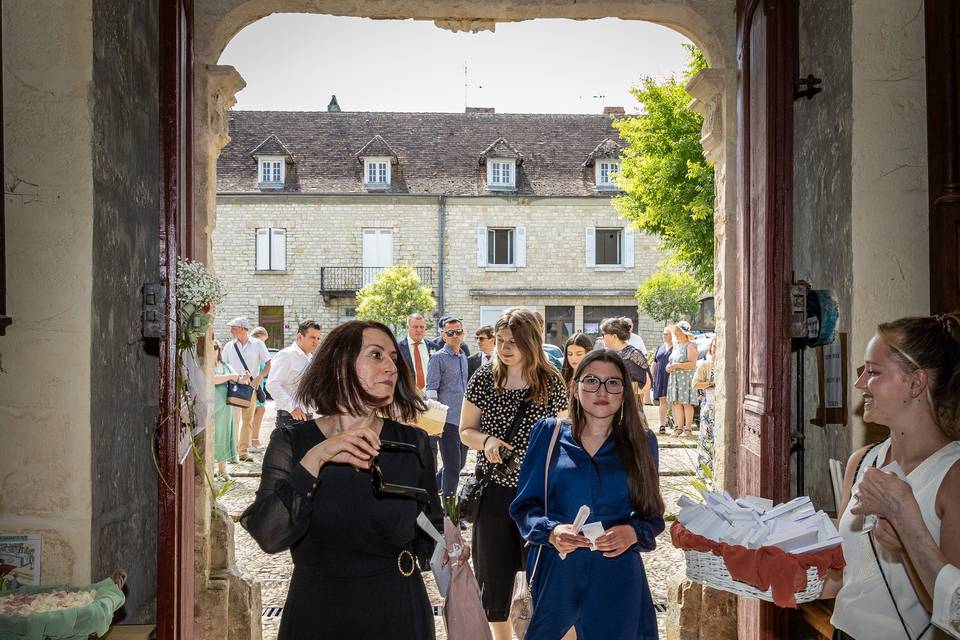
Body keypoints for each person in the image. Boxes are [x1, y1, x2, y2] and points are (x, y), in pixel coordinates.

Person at [240, 320, 445, 639]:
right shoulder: (293, 443)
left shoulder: (413, 444)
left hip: (399, 613)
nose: (391, 365)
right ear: (339, 367)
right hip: (319, 615)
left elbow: (430, 531)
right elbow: (269, 534)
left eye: (393, 357)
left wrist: (450, 548)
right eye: (376, 355)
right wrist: (315, 459)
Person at [818, 312, 960, 640]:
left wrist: (907, 542)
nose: (859, 384)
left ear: (916, 382)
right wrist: (767, 573)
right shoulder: (862, 461)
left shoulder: (952, 476)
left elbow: (951, 616)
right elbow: (844, 578)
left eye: (873, 371)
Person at [510, 348, 665, 640]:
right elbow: (524, 508)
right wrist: (552, 531)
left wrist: (632, 533)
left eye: (613, 382)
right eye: (591, 381)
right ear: (575, 386)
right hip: (558, 570)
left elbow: (653, 517)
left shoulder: (643, 443)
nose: (602, 390)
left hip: (616, 573)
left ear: (624, 392)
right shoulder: (548, 434)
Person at [459, 307, 568, 640]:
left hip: (539, 495)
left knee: (542, 574)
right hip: (494, 492)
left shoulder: (550, 380)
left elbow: (565, 434)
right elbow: (465, 431)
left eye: (513, 342)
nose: (504, 348)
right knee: (494, 578)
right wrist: (487, 440)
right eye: (500, 340)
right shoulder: (484, 378)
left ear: (530, 343)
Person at [851, 468, 960, 638]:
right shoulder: (864, 461)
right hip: (847, 626)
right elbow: (853, 575)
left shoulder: (952, 474)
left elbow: (951, 607)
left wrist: (901, 515)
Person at [425, 317, 470, 499]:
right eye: (450, 333)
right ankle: (449, 515)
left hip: (463, 420)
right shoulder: (437, 358)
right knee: (452, 469)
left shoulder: (463, 357)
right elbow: (431, 389)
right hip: (447, 422)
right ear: (443, 335)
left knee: (458, 465)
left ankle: (429, 493)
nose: (455, 336)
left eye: (458, 332)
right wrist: (435, 423)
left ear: (463, 334)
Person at [223, 317, 272, 461]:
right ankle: (231, 453)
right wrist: (232, 377)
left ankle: (243, 452)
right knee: (233, 421)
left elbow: (269, 363)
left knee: (247, 421)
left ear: (243, 328)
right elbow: (224, 366)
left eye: (233, 327)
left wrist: (259, 378)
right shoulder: (229, 346)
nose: (231, 330)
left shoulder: (258, 344)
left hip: (251, 388)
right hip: (233, 387)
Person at [266, 320, 322, 429]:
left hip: (308, 417)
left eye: (318, 338)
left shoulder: (310, 359)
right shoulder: (286, 355)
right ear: (299, 337)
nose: (316, 342)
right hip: (290, 419)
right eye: (312, 338)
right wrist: (292, 408)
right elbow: (272, 385)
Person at [212, 339, 247, 479]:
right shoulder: (206, 365)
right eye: (210, 349)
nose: (213, 351)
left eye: (215, 349)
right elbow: (212, 379)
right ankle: (210, 469)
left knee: (224, 435)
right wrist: (231, 377)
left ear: (218, 351)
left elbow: (239, 380)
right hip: (212, 406)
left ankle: (222, 470)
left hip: (226, 407)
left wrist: (244, 378)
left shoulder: (226, 365)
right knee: (213, 436)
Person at [600, 317, 651, 407]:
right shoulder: (608, 353)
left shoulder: (633, 354)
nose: (602, 337)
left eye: (604, 334)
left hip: (629, 408)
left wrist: (619, 387)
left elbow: (647, 384)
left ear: (614, 336)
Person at [665, 321, 698, 438]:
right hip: (675, 378)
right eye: (676, 331)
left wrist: (676, 366)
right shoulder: (677, 346)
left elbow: (692, 364)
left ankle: (688, 429)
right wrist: (668, 367)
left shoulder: (691, 345)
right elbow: (672, 361)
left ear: (685, 333)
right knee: (677, 403)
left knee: (687, 403)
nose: (676, 333)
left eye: (678, 331)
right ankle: (679, 428)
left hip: (686, 378)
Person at [692, 337, 716, 473]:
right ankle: (704, 470)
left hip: (722, 409)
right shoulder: (705, 365)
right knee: (706, 437)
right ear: (711, 348)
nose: (716, 349)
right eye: (714, 346)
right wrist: (711, 384)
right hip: (709, 406)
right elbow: (695, 384)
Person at [398, 313, 437, 392]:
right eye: (415, 327)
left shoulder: (434, 347)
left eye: (421, 327)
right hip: (408, 396)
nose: (419, 330)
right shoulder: (398, 349)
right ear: (407, 327)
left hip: (431, 397)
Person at [249, 326, 271, 452]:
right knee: (258, 411)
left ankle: (252, 440)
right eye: (263, 341)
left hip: (259, 386)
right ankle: (254, 441)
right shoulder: (255, 348)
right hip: (254, 386)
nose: (264, 344)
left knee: (257, 411)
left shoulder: (257, 348)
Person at [651, 327, 673, 435]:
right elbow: (654, 362)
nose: (663, 335)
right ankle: (662, 425)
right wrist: (651, 376)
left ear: (672, 335)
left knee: (673, 401)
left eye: (666, 333)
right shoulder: (660, 346)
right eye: (663, 333)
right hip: (660, 376)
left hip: (671, 376)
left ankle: (676, 424)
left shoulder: (676, 347)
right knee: (662, 401)